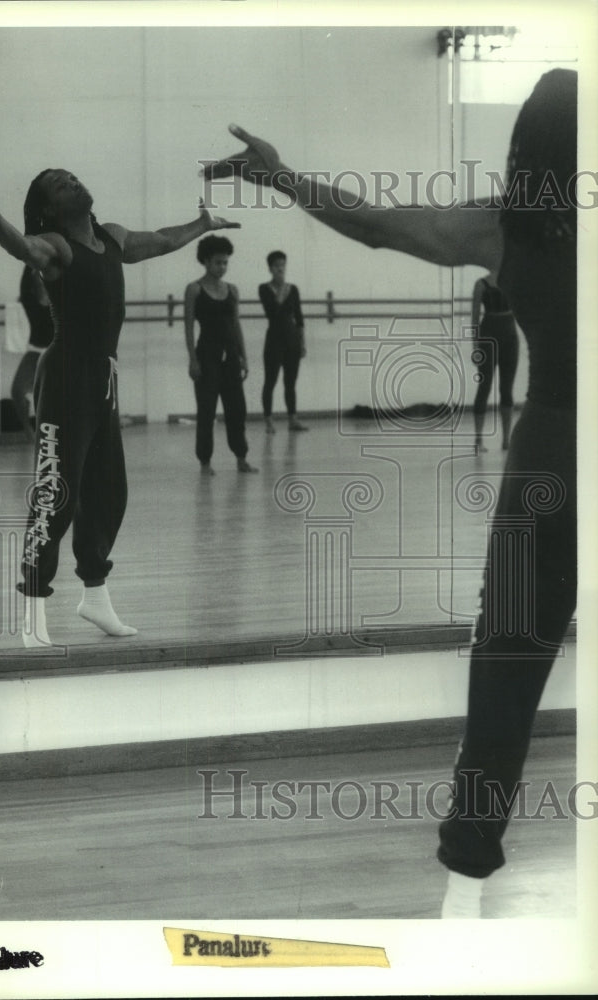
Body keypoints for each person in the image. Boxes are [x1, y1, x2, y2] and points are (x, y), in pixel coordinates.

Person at [204, 67, 578, 918]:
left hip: (551, 457)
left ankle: (464, 881)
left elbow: (375, 225)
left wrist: (280, 175)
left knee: (506, 663)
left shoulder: (502, 227)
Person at [0, 172, 239, 647]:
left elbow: (161, 240)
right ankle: (32, 611)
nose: (72, 183)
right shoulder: (57, 246)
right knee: (56, 495)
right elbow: (23, 247)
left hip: (103, 380)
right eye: (60, 185)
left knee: (109, 493)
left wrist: (202, 224)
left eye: (72, 178)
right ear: (49, 208)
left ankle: (95, 597)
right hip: (65, 378)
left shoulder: (113, 237)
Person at [184, 234, 258, 475]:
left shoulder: (232, 290)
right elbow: (188, 327)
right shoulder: (194, 289)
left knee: (237, 409)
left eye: (225, 262)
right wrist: (193, 360)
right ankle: (205, 462)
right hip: (207, 356)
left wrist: (244, 357)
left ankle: (241, 458)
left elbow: (236, 325)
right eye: (218, 262)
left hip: (231, 357)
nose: (222, 267)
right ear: (206, 261)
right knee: (206, 410)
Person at [259, 250, 308, 433]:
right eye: (276, 265)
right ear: (270, 268)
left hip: (292, 339)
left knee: (290, 382)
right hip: (274, 340)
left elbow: (299, 318)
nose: (280, 268)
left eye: (283, 265)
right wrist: (280, 289)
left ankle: (293, 419)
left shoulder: (293, 289)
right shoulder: (264, 289)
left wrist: (302, 343)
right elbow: (272, 311)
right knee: (270, 381)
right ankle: (268, 421)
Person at [470, 272, 519, 454]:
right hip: (488, 336)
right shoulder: (481, 284)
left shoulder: (512, 279)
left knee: (507, 388)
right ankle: (478, 440)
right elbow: (474, 319)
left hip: (510, 335)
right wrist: (475, 347)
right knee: (484, 386)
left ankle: (506, 440)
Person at [10, 265, 55, 442]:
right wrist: (30, 265)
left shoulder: (60, 299)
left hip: (58, 352)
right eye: (36, 277)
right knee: (17, 391)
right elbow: (25, 280)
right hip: (36, 351)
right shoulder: (29, 300)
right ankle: (28, 430)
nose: (39, 279)